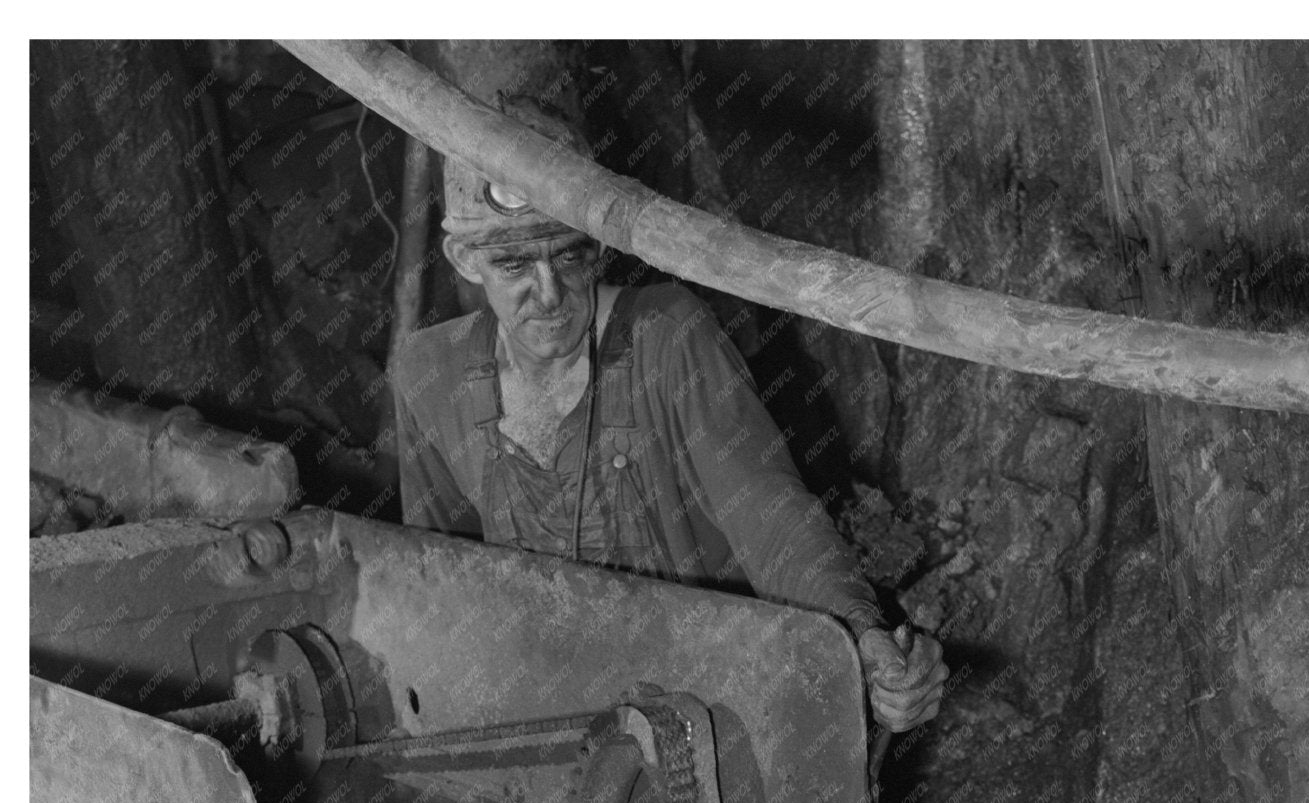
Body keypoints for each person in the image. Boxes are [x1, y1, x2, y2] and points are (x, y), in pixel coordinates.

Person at [390, 100, 946, 735]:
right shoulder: (429, 374)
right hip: (538, 722)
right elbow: (433, 575)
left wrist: (861, 636)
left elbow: (769, 515)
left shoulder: (666, 337)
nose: (547, 294)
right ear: (464, 260)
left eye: (568, 256)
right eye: (513, 265)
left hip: (702, 714)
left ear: (598, 246)